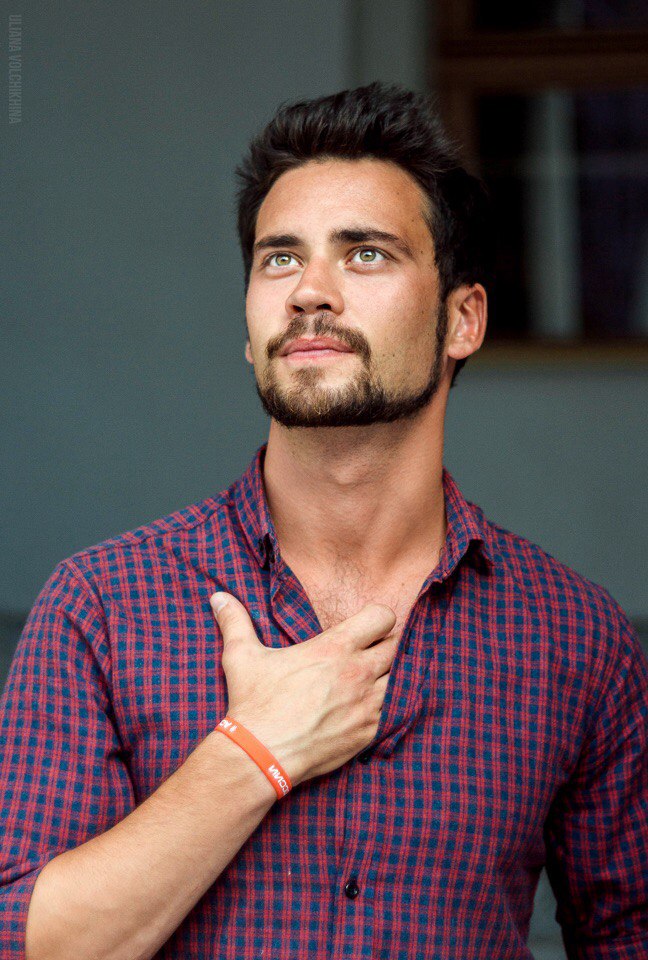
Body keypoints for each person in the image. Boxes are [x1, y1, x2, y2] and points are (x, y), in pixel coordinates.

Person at [1, 81, 646, 960]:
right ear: (248, 326)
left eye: (365, 254)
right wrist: (251, 755)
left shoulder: (576, 640)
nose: (310, 291)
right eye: (279, 259)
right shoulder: (102, 607)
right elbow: (27, 942)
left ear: (463, 319)